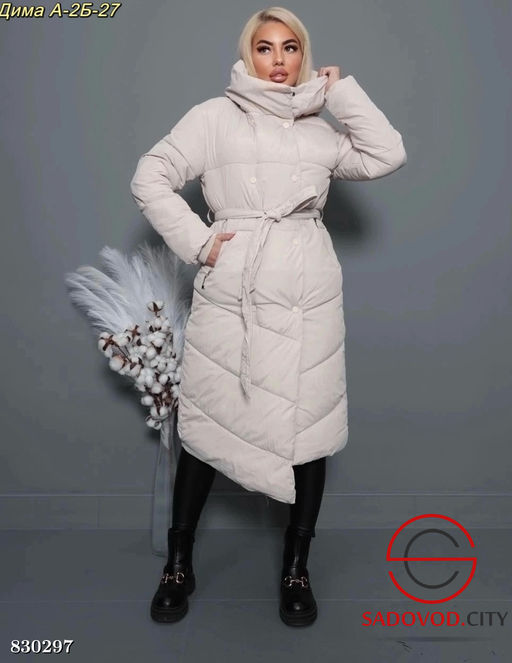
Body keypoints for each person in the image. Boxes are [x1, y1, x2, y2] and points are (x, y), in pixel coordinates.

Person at [130, 6, 407, 627]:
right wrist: (200, 243)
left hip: (309, 292)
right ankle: (178, 564)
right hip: (236, 292)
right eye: (265, 47)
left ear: (303, 56)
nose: (278, 60)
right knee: (208, 423)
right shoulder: (213, 117)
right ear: (247, 54)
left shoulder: (318, 128)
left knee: (310, 429)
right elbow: (150, 177)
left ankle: (296, 568)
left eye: (290, 48)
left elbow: (387, 154)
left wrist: (342, 92)